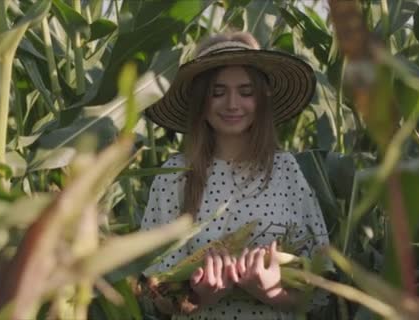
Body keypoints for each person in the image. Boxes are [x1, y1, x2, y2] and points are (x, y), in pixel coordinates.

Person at [140, 32, 330, 320]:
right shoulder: (173, 176)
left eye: (246, 91)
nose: (232, 104)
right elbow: (153, 295)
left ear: (262, 98)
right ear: (201, 101)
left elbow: (319, 290)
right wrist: (197, 299)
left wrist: (272, 293)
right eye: (217, 92)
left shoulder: (286, 170)